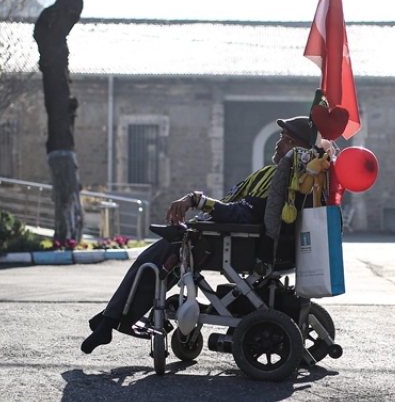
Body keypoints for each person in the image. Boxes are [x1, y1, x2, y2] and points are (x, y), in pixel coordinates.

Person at [81, 116, 317, 354]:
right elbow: (234, 205)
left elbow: (242, 214)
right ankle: (112, 318)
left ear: (304, 152)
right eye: (281, 137)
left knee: (159, 259)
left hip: (233, 243)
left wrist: (197, 200)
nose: (279, 143)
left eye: (289, 141)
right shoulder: (277, 174)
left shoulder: (283, 178)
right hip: (225, 236)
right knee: (162, 259)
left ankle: (110, 320)